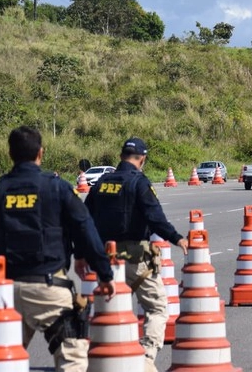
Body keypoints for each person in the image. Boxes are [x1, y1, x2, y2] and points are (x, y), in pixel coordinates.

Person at [0, 125, 115, 372]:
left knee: (2, 363)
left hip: (6, 293)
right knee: (73, 361)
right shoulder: (58, 189)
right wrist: (105, 274)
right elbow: (86, 230)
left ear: (10, 154)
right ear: (41, 154)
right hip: (49, 289)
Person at [77, 136, 188, 372]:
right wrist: (176, 237)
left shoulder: (101, 183)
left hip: (105, 259)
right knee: (157, 307)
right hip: (135, 259)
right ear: (143, 159)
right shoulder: (139, 182)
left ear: (120, 156)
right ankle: (146, 359)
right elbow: (154, 217)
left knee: (110, 309)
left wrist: (81, 253)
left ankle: (103, 359)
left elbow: (84, 221)